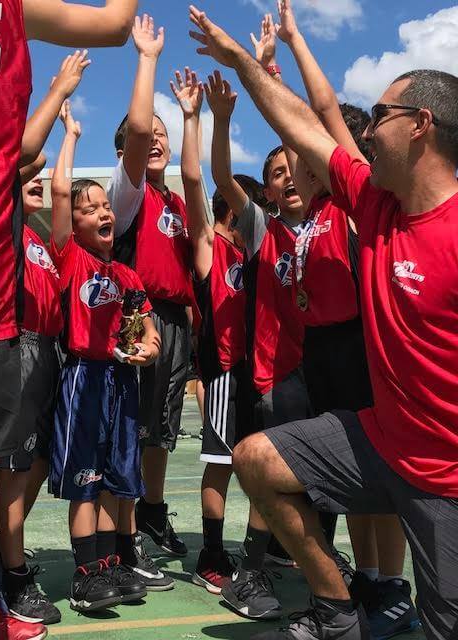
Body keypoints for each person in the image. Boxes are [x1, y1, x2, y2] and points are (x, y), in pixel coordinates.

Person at [190, 5, 458, 639]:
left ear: (421, 125)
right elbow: (305, 123)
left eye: (383, 116)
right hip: (381, 443)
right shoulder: (373, 201)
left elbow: (327, 119)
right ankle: (340, 614)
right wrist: (242, 63)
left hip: (446, 474)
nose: (366, 133)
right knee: (255, 459)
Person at [0, 0, 138, 635]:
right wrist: (62, 110)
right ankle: (6, 582)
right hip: (12, 341)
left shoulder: (45, 243)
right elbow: (30, 157)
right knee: (7, 472)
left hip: (41, 354)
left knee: (29, 468)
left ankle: (6, 581)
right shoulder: (26, 232)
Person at [272, 5, 417, 637]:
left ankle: (390, 585)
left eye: (304, 158)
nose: (295, 165)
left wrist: (296, 41)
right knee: (352, 482)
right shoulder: (300, 224)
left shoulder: (358, 208)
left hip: (361, 347)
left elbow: (323, 112)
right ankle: (369, 582)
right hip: (322, 352)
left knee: (380, 481)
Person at [205, 68, 312, 620]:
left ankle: (312, 565)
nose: (287, 176)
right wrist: (222, 119)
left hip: (326, 371)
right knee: (271, 475)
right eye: (275, 172)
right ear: (266, 192)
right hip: (276, 374)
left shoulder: (333, 222)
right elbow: (222, 177)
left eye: (294, 166)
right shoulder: (263, 231)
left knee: (321, 485)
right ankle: (248, 572)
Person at [48, 101, 160, 613]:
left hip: (120, 380)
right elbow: (58, 191)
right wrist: (70, 134)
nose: (102, 213)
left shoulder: (129, 278)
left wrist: (147, 346)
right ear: (72, 224)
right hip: (84, 378)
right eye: (88, 208)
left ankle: (110, 566)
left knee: (117, 476)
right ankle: (85, 574)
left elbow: (146, 326)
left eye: (105, 206)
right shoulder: (71, 257)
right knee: (86, 479)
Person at [171, 66, 264, 594]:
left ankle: (259, 554)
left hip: (265, 370)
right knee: (221, 463)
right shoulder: (214, 245)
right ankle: (211, 553)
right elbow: (193, 182)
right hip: (225, 369)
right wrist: (193, 116)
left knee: (265, 463)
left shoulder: (260, 248)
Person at [107, 14, 193, 558]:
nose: (157, 140)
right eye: (149, 137)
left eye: (166, 136)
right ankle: (128, 522)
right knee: (136, 425)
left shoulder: (177, 202)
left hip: (177, 319)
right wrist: (147, 58)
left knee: (163, 426)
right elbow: (138, 131)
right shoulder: (128, 194)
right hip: (141, 315)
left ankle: (154, 511)